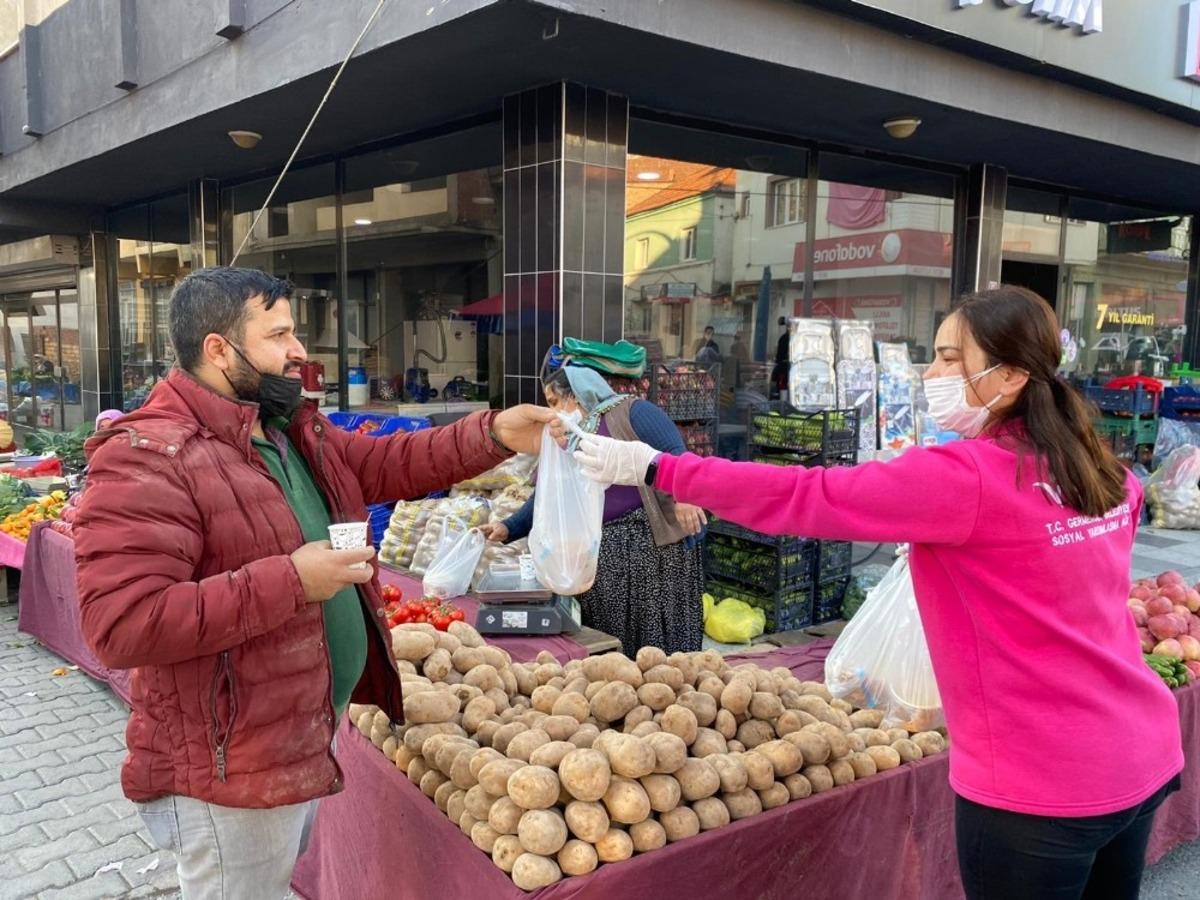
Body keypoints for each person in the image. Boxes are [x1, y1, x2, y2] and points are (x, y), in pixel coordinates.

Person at [568, 286, 1183, 900]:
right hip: (1141, 748)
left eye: (949, 358)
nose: (932, 373)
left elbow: (807, 495)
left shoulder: (967, 476)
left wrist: (658, 468)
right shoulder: (1104, 471)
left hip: (1042, 785)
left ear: (1014, 374)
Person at [74, 267, 553, 899]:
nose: (298, 351)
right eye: (279, 334)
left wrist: (491, 434)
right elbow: (122, 625)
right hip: (231, 762)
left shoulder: (281, 427)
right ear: (219, 349)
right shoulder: (147, 455)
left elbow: (385, 462)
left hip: (294, 736)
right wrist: (293, 579)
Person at [479, 354, 707, 653]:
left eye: (553, 402)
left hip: (652, 553)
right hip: (602, 557)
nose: (551, 412)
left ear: (574, 395)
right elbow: (548, 498)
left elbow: (676, 452)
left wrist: (685, 497)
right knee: (610, 643)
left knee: (655, 641)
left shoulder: (632, 412)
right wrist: (507, 527)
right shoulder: (567, 439)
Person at [771, 316, 789, 396]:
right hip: (786, 367)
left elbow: (779, 355)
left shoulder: (783, 338)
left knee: (782, 387)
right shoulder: (785, 338)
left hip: (784, 367)